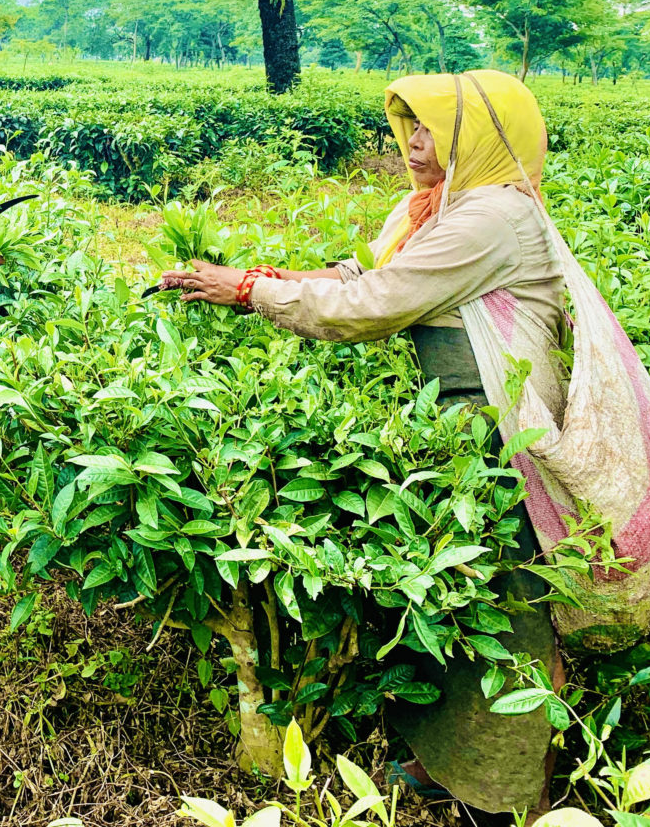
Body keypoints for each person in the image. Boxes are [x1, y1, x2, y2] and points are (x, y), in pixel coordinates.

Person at [160, 70, 564, 820]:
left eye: (432, 127)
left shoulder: (491, 219)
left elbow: (374, 303)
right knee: (452, 600)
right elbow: (368, 271)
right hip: (452, 426)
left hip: (501, 430)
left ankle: (501, 793)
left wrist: (250, 292)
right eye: (407, 125)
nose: (412, 142)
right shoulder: (441, 207)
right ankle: (446, 765)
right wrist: (261, 277)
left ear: (478, 137)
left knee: (507, 607)